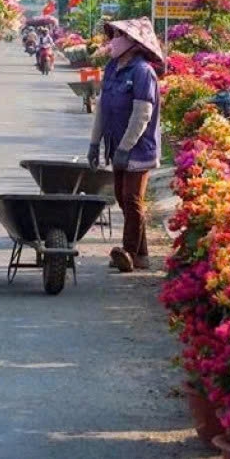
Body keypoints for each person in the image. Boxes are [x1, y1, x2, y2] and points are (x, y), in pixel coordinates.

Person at [86, 17, 163, 273]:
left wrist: (125, 147)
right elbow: (103, 109)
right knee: (121, 196)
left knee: (131, 199)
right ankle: (142, 254)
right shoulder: (112, 68)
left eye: (119, 35)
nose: (113, 40)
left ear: (133, 42)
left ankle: (129, 252)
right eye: (114, 34)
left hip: (138, 149)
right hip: (115, 145)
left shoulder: (143, 72)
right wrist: (94, 143)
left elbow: (142, 114)